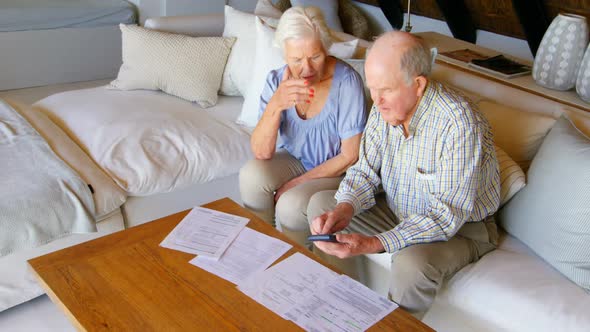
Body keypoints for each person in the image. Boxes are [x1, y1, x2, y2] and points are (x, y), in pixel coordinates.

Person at [307, 31, 500, 318]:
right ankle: (343, 313)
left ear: (418, 84)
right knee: (323, 208)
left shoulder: (458, 123)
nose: (377, 100)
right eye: (373, 89)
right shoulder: (385, 107)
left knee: (412, 264)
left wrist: (376, 242)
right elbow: (364, 172)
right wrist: (345, 207)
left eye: (385, 90)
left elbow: (446, 214)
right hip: (400, 210)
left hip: (461, 229)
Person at [239, 6, 367, 247]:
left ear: (326, 48)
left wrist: (295, 183)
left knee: (291, 203)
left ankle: (293, 265)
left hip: (336, 170)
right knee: (251, 174)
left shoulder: (347, 82)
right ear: (284, 54)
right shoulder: (276, 80)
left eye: (315, 56)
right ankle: (259, 250)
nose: (307, 69)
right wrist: (275, 105)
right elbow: (262, 152)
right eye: (296, 59)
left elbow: (350, 156)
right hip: (297, 159)